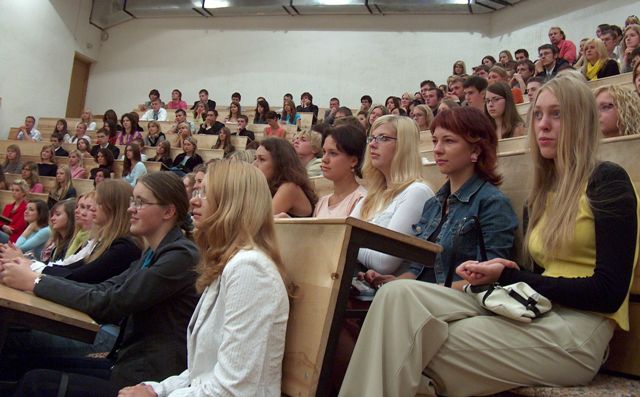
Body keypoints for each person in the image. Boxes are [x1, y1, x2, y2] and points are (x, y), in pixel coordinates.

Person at [339, 75, 639, 397]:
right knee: (395, 297)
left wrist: (510, 275)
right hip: (537, 310)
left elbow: (609, 292)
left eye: (557, 114)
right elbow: (536, 279)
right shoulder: (542, 193)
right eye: (537, 114)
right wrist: (508, 277)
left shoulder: (607, 181)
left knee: (405, 342)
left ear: (581, 120)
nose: (543, 125)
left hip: (579, 332)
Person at [5, 173, 200, 396]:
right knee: (23, 359)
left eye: (140, 202)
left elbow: (111, 303)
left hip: (144, 382)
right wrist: (36, 280)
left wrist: (36, 282)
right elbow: (103, 288)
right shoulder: (153, 252)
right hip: (123, 365)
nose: (131, 209)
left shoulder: (180, 256)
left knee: (36, 381)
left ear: (168, 211)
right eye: (131, 201)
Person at [114, 161, 291, 396]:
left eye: (206, 194)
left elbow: (233, 388)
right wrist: (157, 389)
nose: (194, 200)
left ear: (233, 204)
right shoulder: (228, 264)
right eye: (197, 191)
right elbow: (202, 371)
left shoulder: (250, 269)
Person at [361, 107, 518, 288]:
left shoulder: (492, 203)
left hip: (459, 300)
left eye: (448, 141)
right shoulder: (434, 204)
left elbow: (489, 277)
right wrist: (394, 283)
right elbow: (416, 269)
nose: (437, 149)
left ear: (475, 150)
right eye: (435, 141)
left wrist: (421, 291)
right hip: (426, 295)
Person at [351, 115, 433, 275]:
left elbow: (384, 262)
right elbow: (345, 234)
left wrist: (348, 244)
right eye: (372, 138)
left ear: (404, 145)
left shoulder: (416, 192)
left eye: (383, 138)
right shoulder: (373, 195)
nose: (373, 145)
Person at [253, 138, 318, 217]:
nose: (254, 164)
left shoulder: (289, 187)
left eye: (262, 159)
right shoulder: (269, 186)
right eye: (255, 158)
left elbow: (258, 223)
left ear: (279, 164)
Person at [314, 124, 367, 218]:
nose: (324, 159)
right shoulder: (322, 202)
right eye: (324, 152)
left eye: (333, 153)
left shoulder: (361, 201)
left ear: (353, 161)